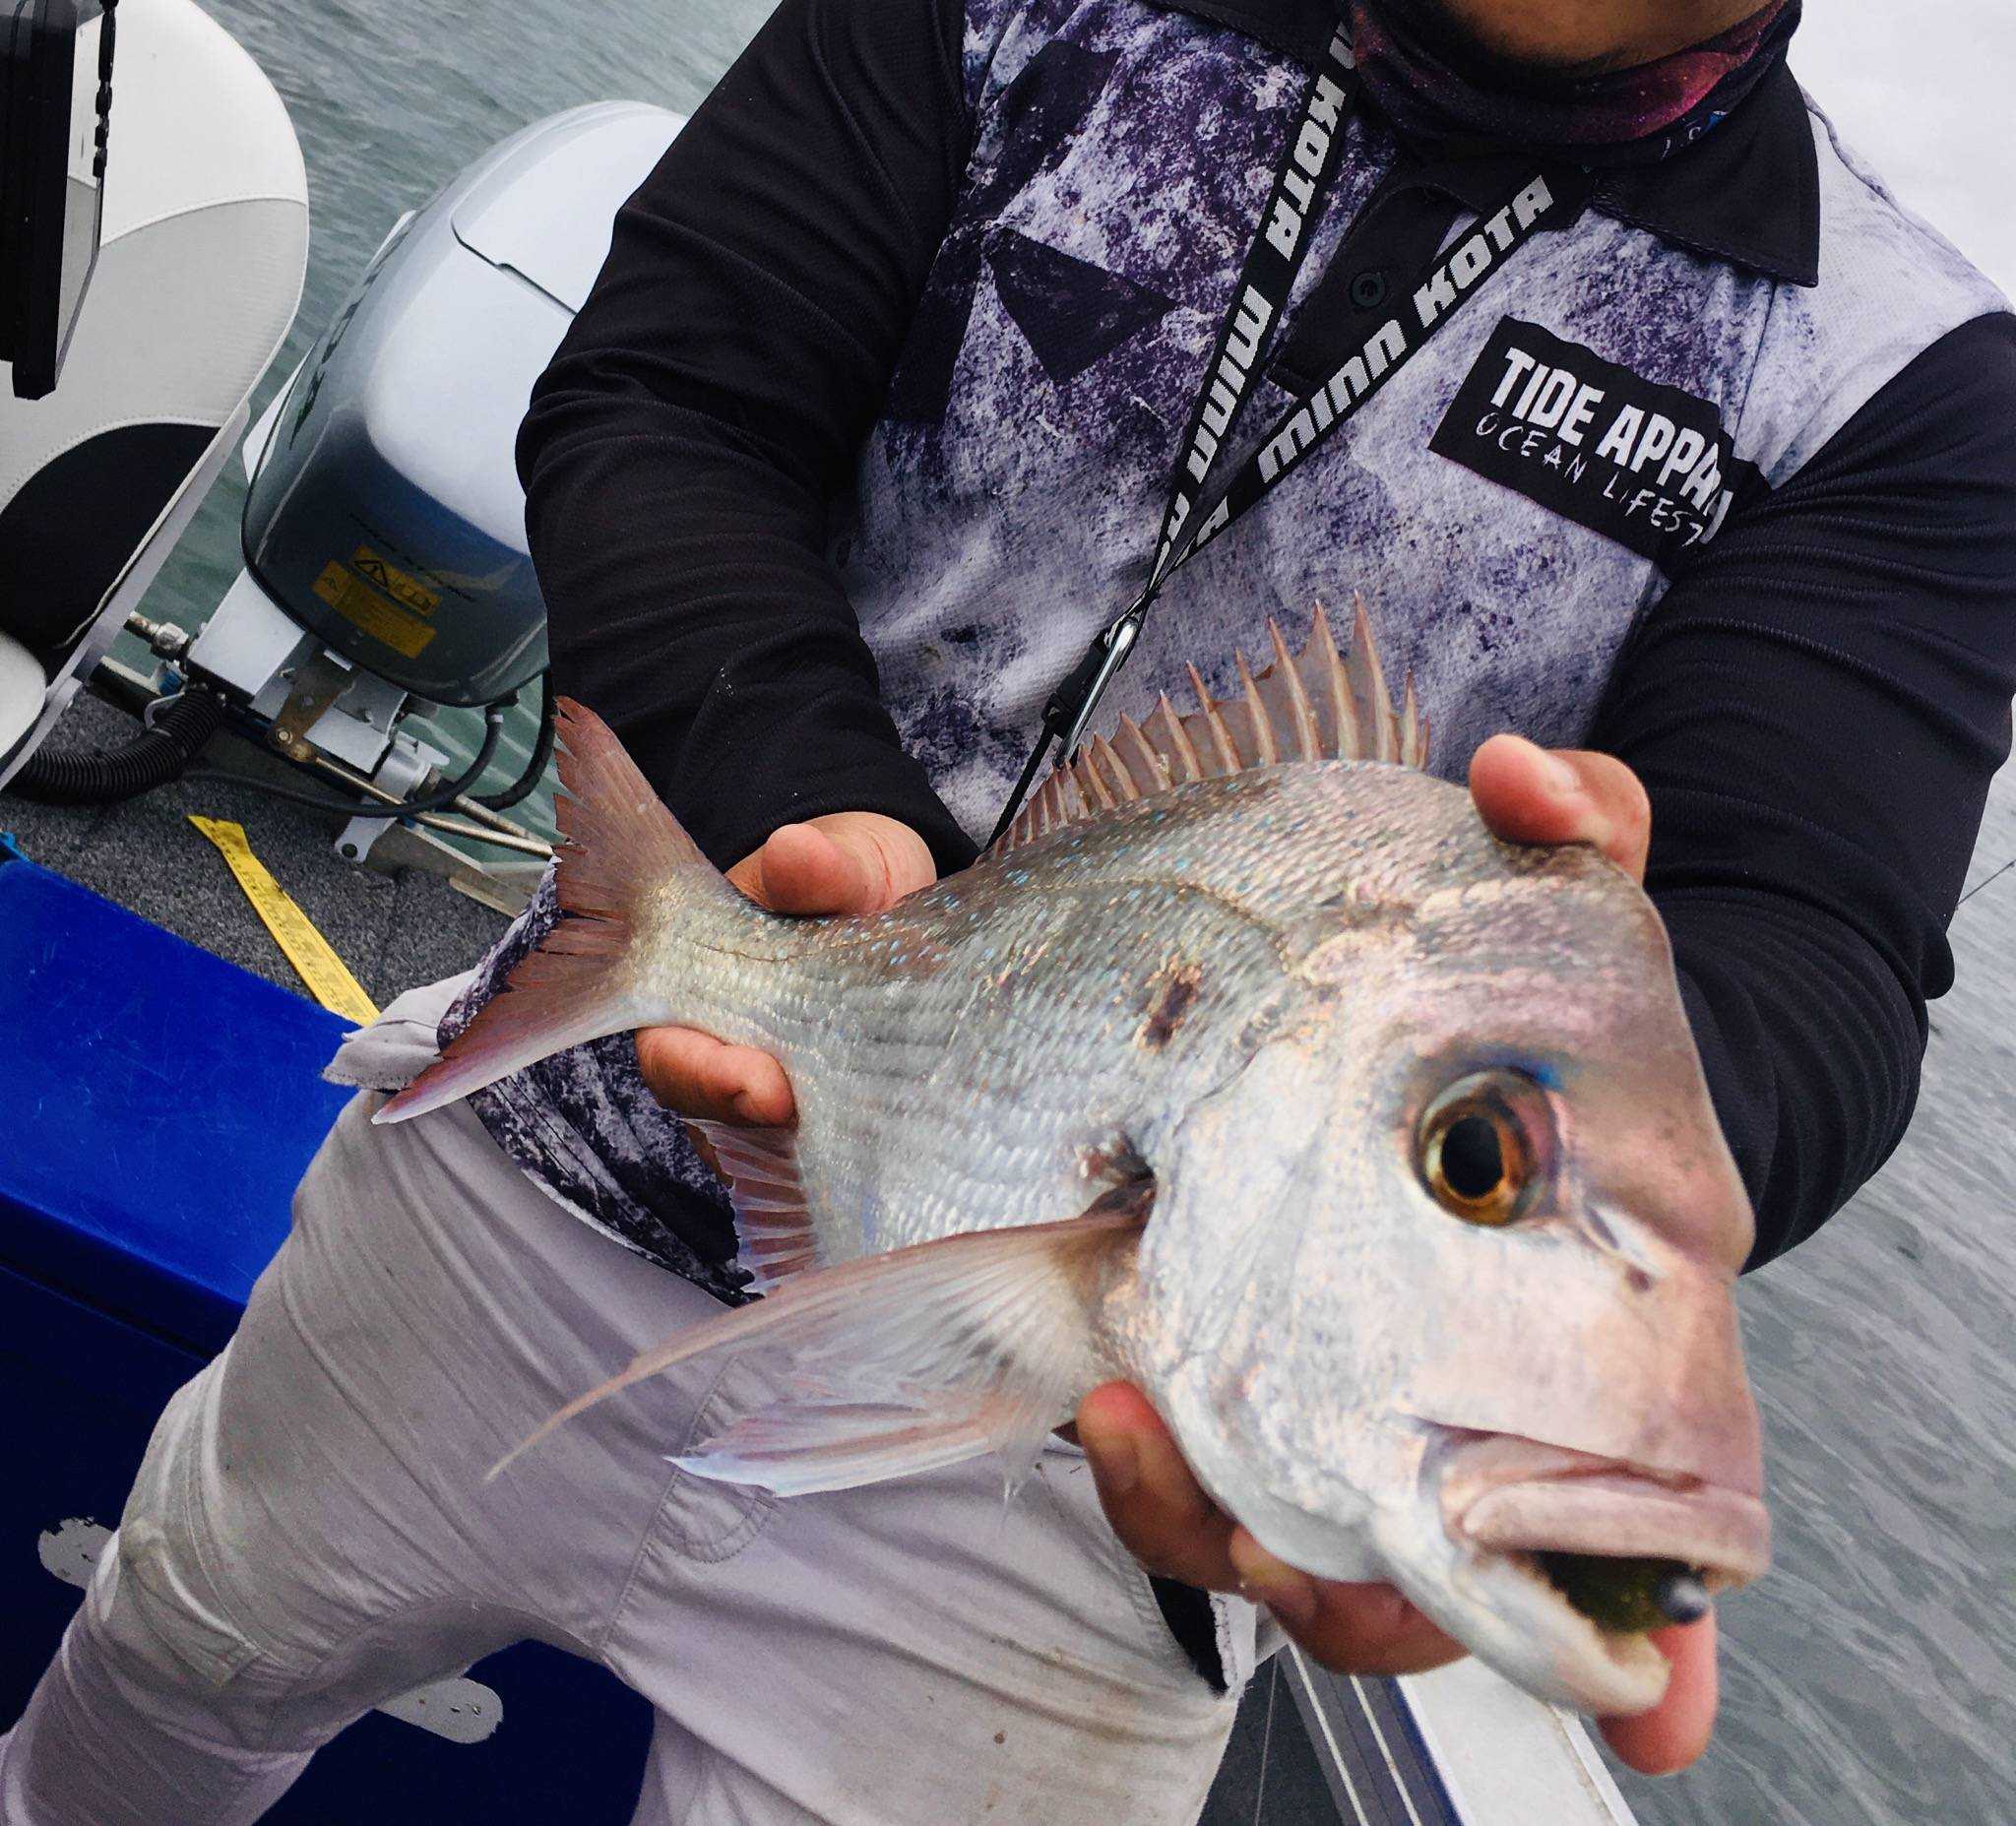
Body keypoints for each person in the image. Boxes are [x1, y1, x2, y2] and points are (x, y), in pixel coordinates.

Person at [4, 0, 2014, 1820]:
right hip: (558, 1165)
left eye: (1475, 1157)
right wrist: (812, 830)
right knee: (171, 1658)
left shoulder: (1898, 378)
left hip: (1100, 1483)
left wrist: (1554, 1155)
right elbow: (669, 397)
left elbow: (1806, 939)